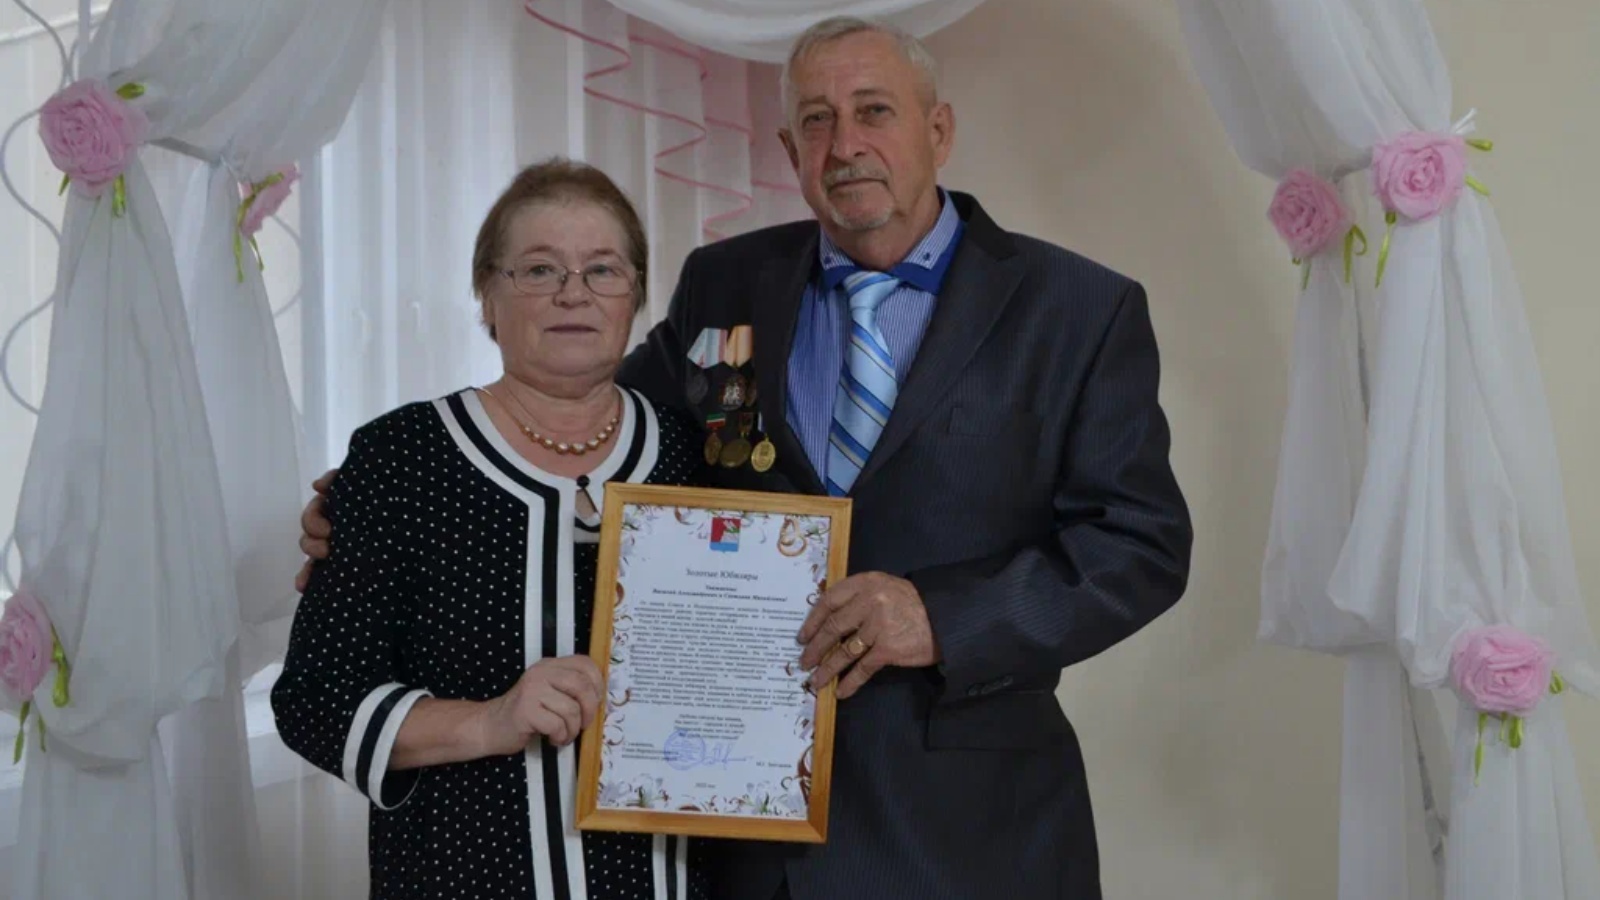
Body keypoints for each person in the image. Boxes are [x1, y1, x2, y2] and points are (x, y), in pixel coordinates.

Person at [299, 15, 1192, 900]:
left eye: (874, 111)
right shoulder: (724, 283)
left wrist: (940, 617)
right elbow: (596, 430)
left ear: (939, 130)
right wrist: (382, 496)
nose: (845, 144)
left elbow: (1140, 546)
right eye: (816, 120)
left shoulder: (1078, 309)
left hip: (967, 835)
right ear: (789, 148)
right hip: (737, 839)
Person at [271, 159, 711, 900]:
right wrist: (489, 721)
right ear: (487, 295)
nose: (573, 292)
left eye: (603, 269)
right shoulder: (403, 457)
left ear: (635, 294)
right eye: (539, 269)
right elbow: (314, 701)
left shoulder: (691, 456)